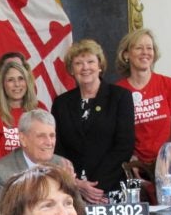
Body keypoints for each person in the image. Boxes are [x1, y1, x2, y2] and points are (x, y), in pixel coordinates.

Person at [51, 38, 135, 203]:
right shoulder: (61, 103)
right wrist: (76, 183)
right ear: (71, 69)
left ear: (100, 66)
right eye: (78, 63)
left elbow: (124, 146)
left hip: (109, 189)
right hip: (72, 191)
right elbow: (57, 149)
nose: (85, 67)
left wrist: (94, 186)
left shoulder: (120, 97)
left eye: (90, 61)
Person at [0, 109, 72, 215]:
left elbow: (79, 212)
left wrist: (70, 187)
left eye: (52, 136)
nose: (49, 142)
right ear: (23, 139)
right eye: (41, 136)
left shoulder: (63, 165)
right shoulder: (0, 173)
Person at [115, 28, 171, 164]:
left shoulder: (169, 84)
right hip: (135, 166)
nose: (145, 52)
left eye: (149, 48)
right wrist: (131, 161)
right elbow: (117, 135)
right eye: (139, 48)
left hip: (170, 161)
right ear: (126, 54)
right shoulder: (118, 91)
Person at [0, 61, 48, 164]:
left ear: (27, 82)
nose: (17, 84)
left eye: (21, 79)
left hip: (38, 175)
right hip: (5, 177)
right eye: (10, 80)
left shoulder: (40, 109)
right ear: (3, 85)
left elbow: (47, 151)